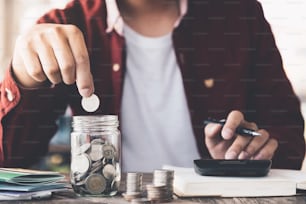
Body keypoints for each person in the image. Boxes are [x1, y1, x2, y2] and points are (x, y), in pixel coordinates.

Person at [0, 0, 304, 172]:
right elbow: (9, 159)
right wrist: (22, 77)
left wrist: (247, 155)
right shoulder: (66, 24)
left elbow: (288, 138)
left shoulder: (239, 14)